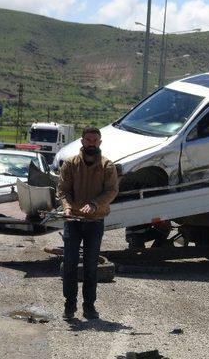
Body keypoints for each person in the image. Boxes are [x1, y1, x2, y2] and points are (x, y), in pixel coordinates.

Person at [57, 127, 118, 320]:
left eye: (95, 140)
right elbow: (63, 190)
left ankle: (89, 306)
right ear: (82, 141)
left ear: (99, 143)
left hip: (95, 221)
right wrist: (66, 207)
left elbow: (111, 191)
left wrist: (94, 204)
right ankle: (69, 305)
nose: (91, 143)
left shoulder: (107, 166)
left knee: (91, 266)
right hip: (73, 221)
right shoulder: (70, 164)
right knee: (70, 264)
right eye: (88, 139)